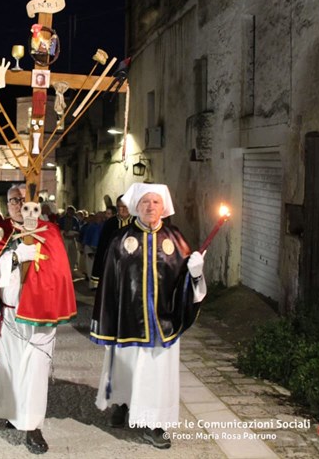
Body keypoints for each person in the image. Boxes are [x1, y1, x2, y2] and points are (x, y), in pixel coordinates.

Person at [89, 183, 206, 449]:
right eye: (145, 202)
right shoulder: (121, 240)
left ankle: (155, 424)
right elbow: (109, 283)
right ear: (135, 207)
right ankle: (121, 402)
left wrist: (196, 273)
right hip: (126, 320)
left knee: (157, 375)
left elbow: (186, 283)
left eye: (155, 202)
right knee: (124, 368)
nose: (150, 207)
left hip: (162, 323)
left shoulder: (175, 239)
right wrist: (108, 321)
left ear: (163, 206)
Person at [0, 184, 77, 455]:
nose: (17, 204)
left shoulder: (49, 231)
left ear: (35, 203)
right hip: (6, 315)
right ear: (7, 204)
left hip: (37, 317)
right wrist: (14, 257)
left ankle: (32, 427)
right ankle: (11, 411)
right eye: (12, 200)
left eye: (23, 199)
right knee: (7, 367)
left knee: (35, 370)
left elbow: (59, 274)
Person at [89, 195, 134, 290]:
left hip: (133, 266)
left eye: (126, 206)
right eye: (120, 207)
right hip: (114, 265)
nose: (123, 209)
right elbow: (102, 246)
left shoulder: (137, 222)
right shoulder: (110, 223)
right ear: (117, 208)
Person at [57, 205, 81, 277]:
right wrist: (63, 232)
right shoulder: (62, 219)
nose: (71, 213)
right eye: (69, 211)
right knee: (65, 254)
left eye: (72, 212)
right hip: (64, 239)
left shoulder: (75, 220)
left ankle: (71, 268)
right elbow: (58, 228)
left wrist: (74, 233)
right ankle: (63, 268)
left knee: (73, 254)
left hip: (72, 238)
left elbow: (77, 229)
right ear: (67, 211)